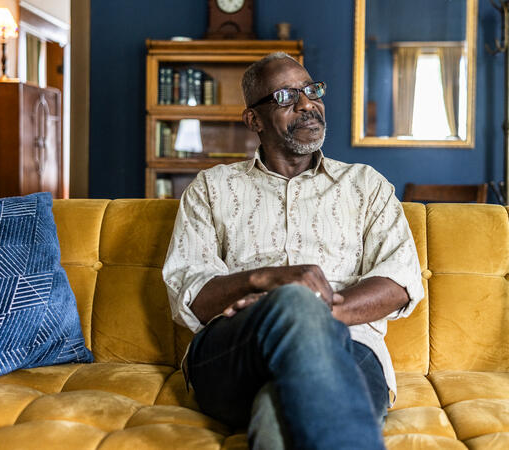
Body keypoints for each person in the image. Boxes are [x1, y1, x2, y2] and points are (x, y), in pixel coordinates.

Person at [162, 52, 424, 449]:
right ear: (253, 120)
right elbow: (188, 294)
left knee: (275, 408)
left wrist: (310, 311)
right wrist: (264, 280)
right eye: (285, 97)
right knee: (291, 306)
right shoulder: (211, 189)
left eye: (311, 90)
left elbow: (400, 282)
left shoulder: (366, 186)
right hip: (235, 350)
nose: (307, 104)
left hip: (350, 347)